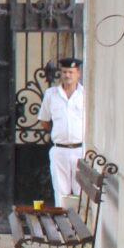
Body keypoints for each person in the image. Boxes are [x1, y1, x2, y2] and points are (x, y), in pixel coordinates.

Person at [37, 56, 86, 204]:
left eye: (71, 72)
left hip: (79, 149)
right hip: (60, 149)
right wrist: (58, 132)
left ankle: (79, 219)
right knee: (60, 191)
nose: (67, 75)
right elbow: (44, 120)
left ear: (78, 73)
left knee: (80, 191)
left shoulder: (84, 94)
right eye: (64, 72)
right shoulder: (51, 94)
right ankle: (61, 218)